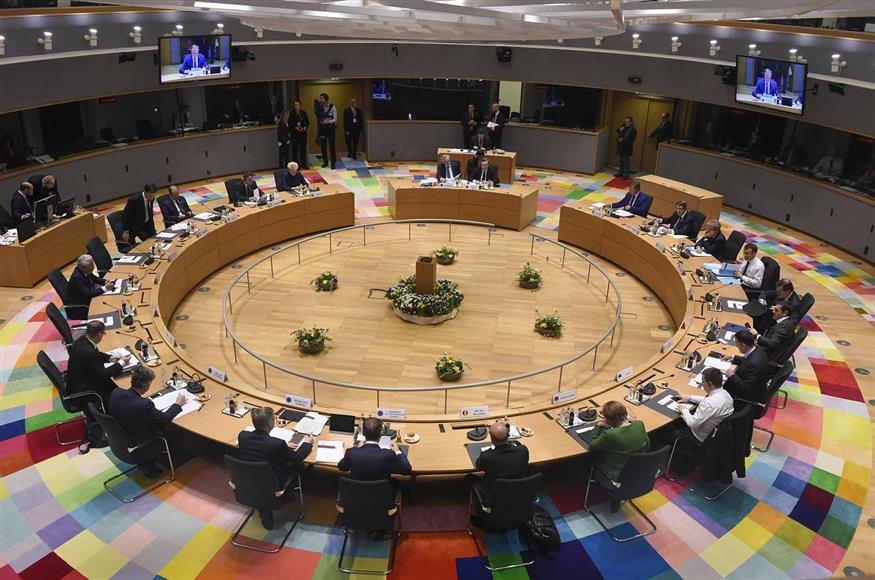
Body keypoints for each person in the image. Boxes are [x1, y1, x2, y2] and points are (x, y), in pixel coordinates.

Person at [238, 407, 313, 529]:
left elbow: (260, 449)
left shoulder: (243, 436)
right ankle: (289, 495)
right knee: (298, 466)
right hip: (274, 488)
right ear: (270, 423)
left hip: (249, 483)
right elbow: (297, 457)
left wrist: (284, 447)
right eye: (274, 418)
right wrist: (307, 443)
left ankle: (265, 511)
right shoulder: (276, 444)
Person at [109, 366, 188, 479]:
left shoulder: (116, 393)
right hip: (139, 440)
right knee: (178, 436)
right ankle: (151, 461)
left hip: (120, 438)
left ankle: (149, 461)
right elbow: (164, 419)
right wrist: (177, 404)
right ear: (147, 385)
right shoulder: (143, 404)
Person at [66, 320, 130, 442]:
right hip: (84, 392)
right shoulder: (88, 351)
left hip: (78, 382)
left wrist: (110, 358)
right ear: (99, 334)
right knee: (118, 390)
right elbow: (103, 375)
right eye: (104, 333)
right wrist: (122, 363)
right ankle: (117, 423)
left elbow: (96, 355)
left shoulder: (82, 340)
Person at [589, 401, 649, 511]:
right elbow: (648, 445)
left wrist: (598, 427)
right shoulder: (639, 424)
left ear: (609, 421)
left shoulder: (610, 434)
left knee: (589, 462)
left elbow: (593, 446)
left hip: (614, 478)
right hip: (639, 473)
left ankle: (613, 495)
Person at [337, 417, 412, 481]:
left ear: (363, 433)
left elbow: (342, 467)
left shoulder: (351, 452)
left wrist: (357, 449)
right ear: (381, 433)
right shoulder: (388, 454)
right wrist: (398, 451)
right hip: (382, 492)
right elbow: (407, 469)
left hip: (357, 491)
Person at [674, 367, 734, 444]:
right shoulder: (727, 395)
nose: (702, 384)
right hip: (716, 435)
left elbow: (692, 424)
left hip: (700, 439)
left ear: (710, 384)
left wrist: (684, 410)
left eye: (703, 381)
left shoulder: (708, 403)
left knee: (672, 429)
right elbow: (711, 401)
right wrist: (690, 397)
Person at [470, 421, 529, 495]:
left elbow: (478, 465)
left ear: (491, 439)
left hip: (494, 494)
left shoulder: (487, 456)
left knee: (469, 478)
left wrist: (490, 449)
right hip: (518, 490)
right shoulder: (523, 450)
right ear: (508, 435)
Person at [722, 330, 771, 403]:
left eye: (737, 345)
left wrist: (732, 376)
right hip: (756, 383)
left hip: (745, 395)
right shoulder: (758, 349)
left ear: (743, 345)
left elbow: (747, 388)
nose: (736, 346)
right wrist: (732, 358)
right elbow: (746, 360)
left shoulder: (754, 364)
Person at [66, 254, 115, 320]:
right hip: (82, 308)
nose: (93, 267)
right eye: (91, 266)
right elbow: (89, 294)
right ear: (82, 267)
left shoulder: (84, 270)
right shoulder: (76, 279)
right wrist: (105, 288)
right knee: (109, 308)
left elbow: (95, 278)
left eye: (93, 264)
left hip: (88, 299)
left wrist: (106, 281)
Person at [316, 93, 338, 169]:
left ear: (325, 99)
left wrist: (327, 122)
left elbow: (335, 119)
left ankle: (333, 163)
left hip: (330, 129)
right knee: (323, 146)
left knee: (332, 146)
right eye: (320, 98)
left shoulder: (332, 107)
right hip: (323, 129)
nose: (320, 100)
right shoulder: (319, 107)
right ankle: (325, 162)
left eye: (321, 98)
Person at [290, 99, 310, 169]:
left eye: (298, 105)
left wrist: (305, 127)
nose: (297, 106)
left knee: (303, 150)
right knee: (295, 150)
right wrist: (295, 127)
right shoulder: (292, 113)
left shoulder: (303, 113)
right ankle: (296, 166)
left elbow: (307, 122)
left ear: (300, 105)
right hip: (295, 134)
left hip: (303, 134)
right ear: (294, 106)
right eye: (295, 105)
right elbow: (290, 123)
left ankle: (303, 164)